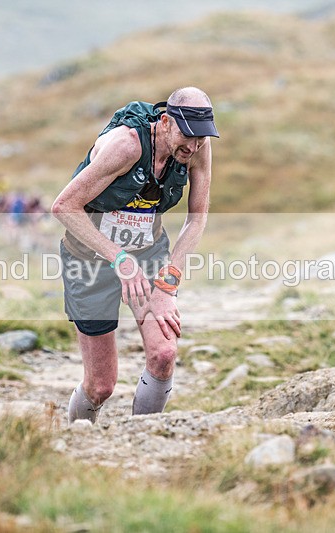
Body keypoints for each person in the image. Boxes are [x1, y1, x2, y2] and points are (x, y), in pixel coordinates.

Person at [52, 86, 219, 423]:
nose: (193, 146)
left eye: (201, 138)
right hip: (90, 259)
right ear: (166, 121)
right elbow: (64, 207)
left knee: (164, 355)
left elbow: (197, 218)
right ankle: (76, 438)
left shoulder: (198, 146)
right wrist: (119, 259)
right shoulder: (126, 145)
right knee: (101, 386)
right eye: (187, 136)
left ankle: (142, 434)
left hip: (148, 253)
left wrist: (168, 284)